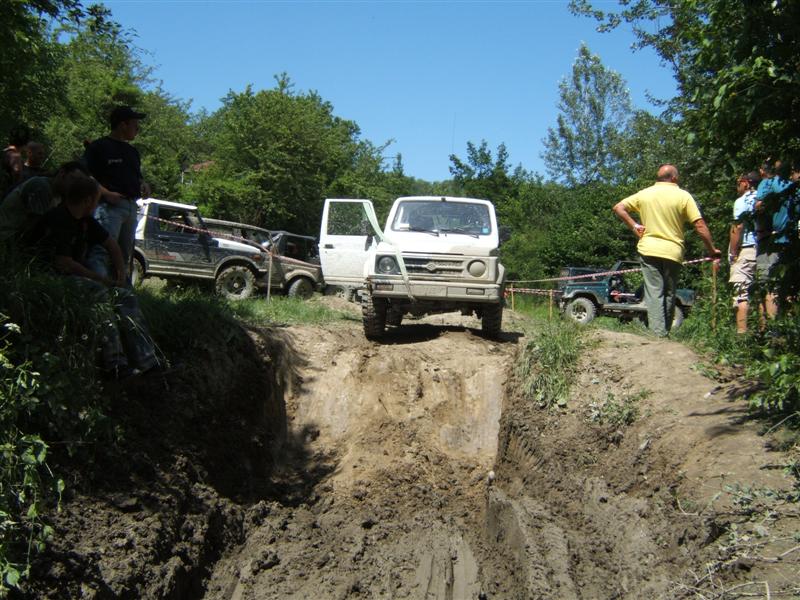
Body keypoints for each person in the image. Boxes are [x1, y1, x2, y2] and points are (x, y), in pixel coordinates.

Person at [27, 175, 160, 379]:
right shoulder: (59, 218)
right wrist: (103, 281)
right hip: (49, 278)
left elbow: (112, 245)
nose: (98, 204)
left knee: (125, 296)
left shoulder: (85, 220)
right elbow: (64, 263)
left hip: (73, 276)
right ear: (89, 200)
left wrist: (121, 274)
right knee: (98, 291)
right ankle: (114, 364)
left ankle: (148, 362)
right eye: (97, 200)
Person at [613, 164, 721, 337]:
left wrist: (634, 225)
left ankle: (658, 334)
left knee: (654, 291)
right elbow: (699, 225)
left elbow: (619, 207)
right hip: (673, 251)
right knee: (670, 292)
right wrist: (712, 250)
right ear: (674, 178)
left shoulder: (645, 194)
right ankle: (663, 333)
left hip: (648, 249)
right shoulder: (683, 196)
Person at [84, 105, 147, 281]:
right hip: (108, 207)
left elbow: (138, 177)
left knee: (125, 255)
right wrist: (105, 193)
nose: (138, 129)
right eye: (135, 124)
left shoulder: (132, 152)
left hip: (131, 207)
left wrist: (144, 185)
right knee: (101, 251)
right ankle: (98, 292)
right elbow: (85, 175)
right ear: (122, 125)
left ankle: (118, 295)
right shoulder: (99, 147)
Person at [0, 161, 87, 242]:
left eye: (80, 184)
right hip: (7, 237)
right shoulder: (42, 186)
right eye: (74, 180)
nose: (76, 186)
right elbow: (35, 229)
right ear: (62, 173)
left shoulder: (58, 196)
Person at [754, 158, 794, 319]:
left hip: (769, 242)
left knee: (768, 286)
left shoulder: (767, 184)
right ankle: (787, 327)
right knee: (788, 287)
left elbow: (759, 207)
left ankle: (772, 332)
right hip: (790, 242)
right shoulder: (793, 187)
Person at [728, 172, 760, 333]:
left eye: (738, 183)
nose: (737, 186)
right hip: (765, 249)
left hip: (746, 250)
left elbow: (738, 227)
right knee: (765, 292)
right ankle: (768, 334)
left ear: (746, 183)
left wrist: (733, 252)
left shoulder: (742, 201)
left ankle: (741, 336)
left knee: (741, 293)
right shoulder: (764, 199)